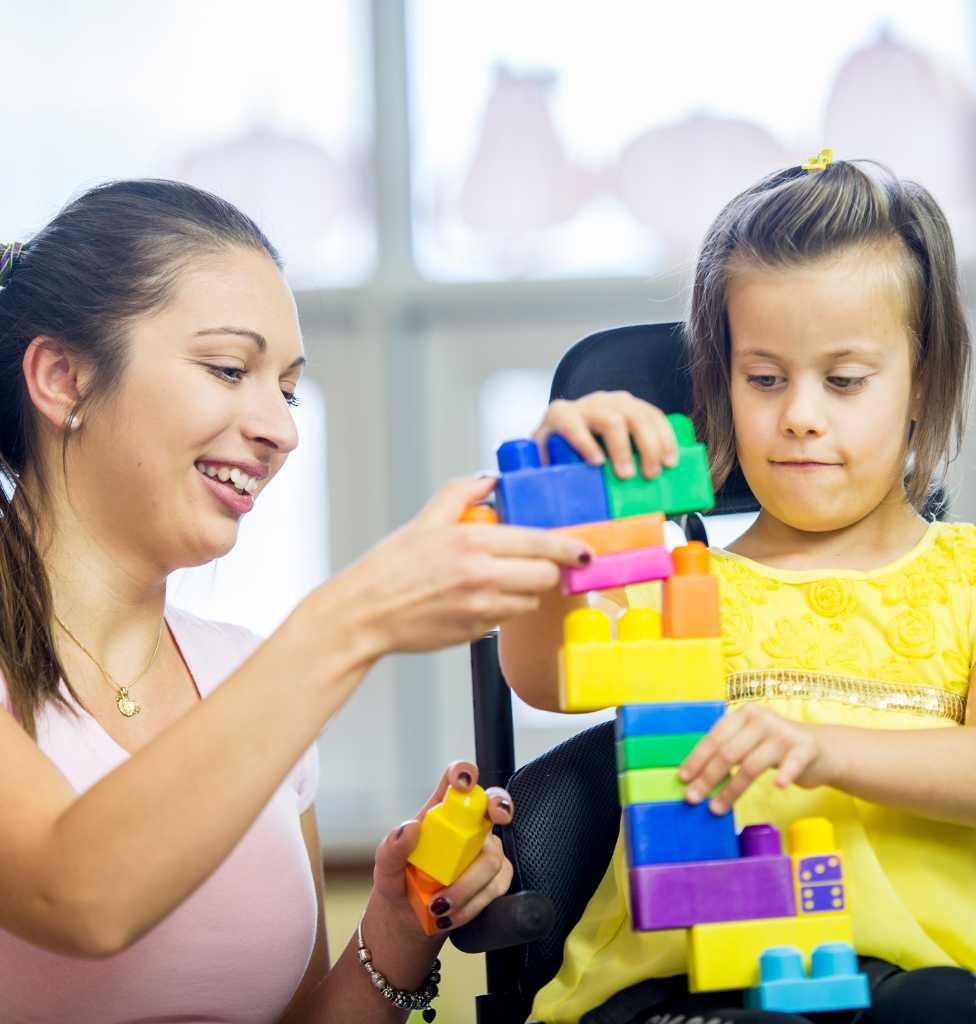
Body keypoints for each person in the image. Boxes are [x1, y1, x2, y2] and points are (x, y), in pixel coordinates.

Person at [0, 180, 594, 1023]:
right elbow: (78, 895)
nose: (282, 428)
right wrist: (355, 613)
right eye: (229, 369)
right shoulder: (286, 675)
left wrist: (397, 923)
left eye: (284, 388)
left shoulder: (241, 673)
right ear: (62, 377)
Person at [500, 159, 976, 1024]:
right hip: (682, 991)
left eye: (845, 381)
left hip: (922, 989)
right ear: (721, 385)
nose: (801, 416)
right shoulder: (674, 580)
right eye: (765, 379)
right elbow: (545, 675)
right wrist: (554, 513)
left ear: (921, 382)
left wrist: (825, 747)